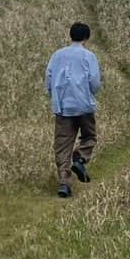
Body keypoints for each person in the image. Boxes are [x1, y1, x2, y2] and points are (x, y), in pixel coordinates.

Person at [45, 22, 102, 198]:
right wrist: (89, 93)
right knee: (89, 136)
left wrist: (53, 94)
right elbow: (94, 82)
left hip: (62, 106)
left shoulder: (57, 55)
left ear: (70, 36)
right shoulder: (88, 56)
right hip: (83, 104)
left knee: (62, 145)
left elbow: (48, 77)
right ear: (86, 37)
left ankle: (64, 183)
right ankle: (80, 159)